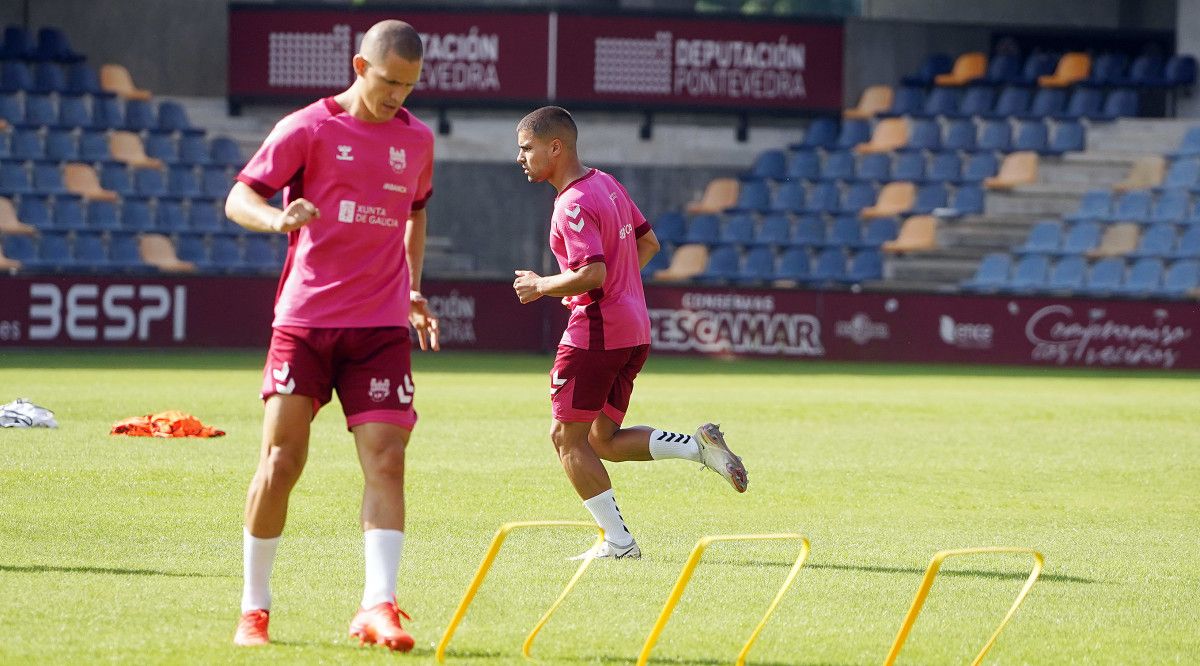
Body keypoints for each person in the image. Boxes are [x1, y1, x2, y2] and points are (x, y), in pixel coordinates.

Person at [225, 19, 440, 651]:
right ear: (358, 66)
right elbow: (240, 196)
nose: (397, 95)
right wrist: (276, 219)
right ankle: (254, 610)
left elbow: (416, 214)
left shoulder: (419, 141)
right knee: (281, 462)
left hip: (378, 328)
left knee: (387, 460)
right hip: (307, 322)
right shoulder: (307, 128)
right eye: (388, 81)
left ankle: (378, 607)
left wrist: (414, 289)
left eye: (408, 85)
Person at [512, 106, 749, 560]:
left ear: (555, 147)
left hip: (596, 333)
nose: (520, 158)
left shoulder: (572, 203)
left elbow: (593, 272)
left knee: (567, 439)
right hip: (634, 328)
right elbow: (649, 243)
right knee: (602, 440)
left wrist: (542, 285)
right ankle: (699, 449)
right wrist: (618, 286)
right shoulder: (607, 183)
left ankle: (618, 543)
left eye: (526, 148)